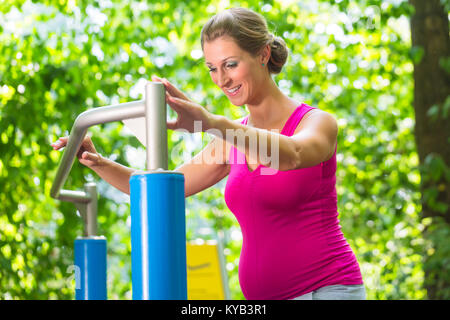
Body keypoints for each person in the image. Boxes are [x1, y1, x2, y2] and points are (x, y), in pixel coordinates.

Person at [51, 7, 365, 300]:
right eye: (212, 68)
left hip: (326, 289)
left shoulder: (315, 123)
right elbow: (162, 186)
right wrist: (98, 162)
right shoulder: (229, 140)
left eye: (230, 64)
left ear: (263, 55)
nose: (221, 80)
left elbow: (293, 154)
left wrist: (209, 123)